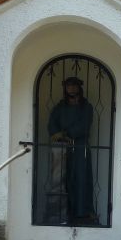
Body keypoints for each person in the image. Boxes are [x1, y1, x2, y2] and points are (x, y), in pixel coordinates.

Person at [47, 76, 97, 224]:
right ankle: (62, 213)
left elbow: (84, 125)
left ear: (79, 87)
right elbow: (52, 124)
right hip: (63, 148)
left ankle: (82, 212)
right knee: (63, 179)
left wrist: (68, 133)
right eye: (69, 86)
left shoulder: (86, 107)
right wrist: (60, 136)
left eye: (74, 85)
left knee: (81, 178)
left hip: (80, 148)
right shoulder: (60, 107)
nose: (71, 88)